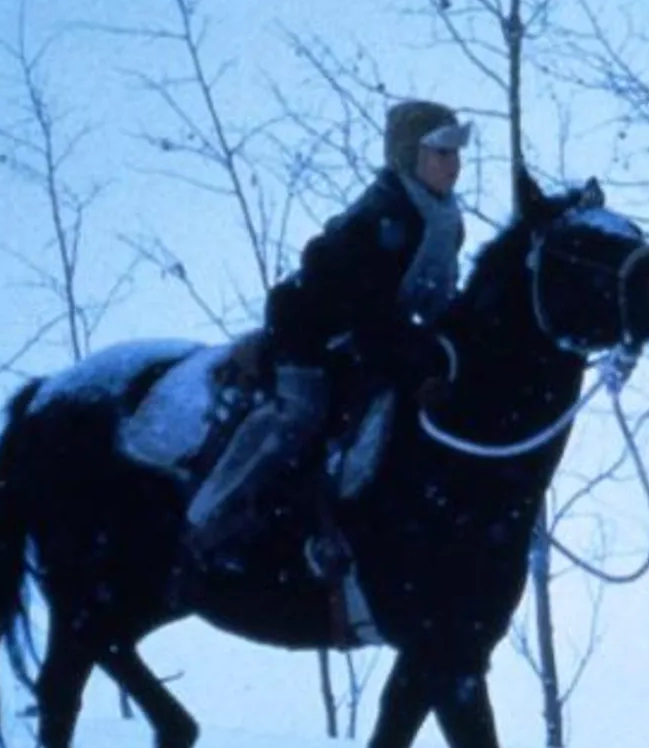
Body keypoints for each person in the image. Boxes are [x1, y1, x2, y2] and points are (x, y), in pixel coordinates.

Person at [185, 99, 472, 578]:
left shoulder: (445, 218)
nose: (454, 164)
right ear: (410, 156)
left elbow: (434, 297)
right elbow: (363, 305)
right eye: (441, 152)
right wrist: (407, 345)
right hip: (312, 334)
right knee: (302, 413)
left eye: (456, 152)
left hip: (375, 336)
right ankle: (214, 515)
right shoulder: (382, 215)